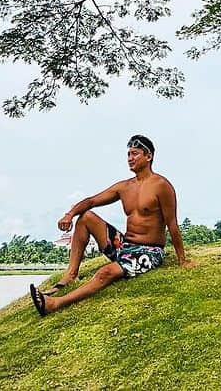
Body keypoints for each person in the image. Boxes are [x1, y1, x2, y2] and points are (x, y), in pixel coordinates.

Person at [29, 133, 192, 316]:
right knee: (86, 217)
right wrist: (70, 214)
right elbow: (91, 201)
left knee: (105, 272)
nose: (130, 159)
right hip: (124, 245)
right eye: (128, 154)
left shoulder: (162, 186)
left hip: (148, 250)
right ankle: (71, 274)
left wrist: (182, 260)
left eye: (135, 154)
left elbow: (172, 224)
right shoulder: (124, 187)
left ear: (149, 156)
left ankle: (54, 304)